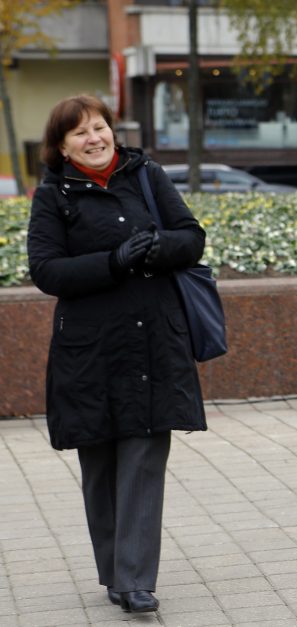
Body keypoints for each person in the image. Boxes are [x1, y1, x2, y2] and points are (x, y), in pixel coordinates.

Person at [27, 95, 207, 613]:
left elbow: (191, 237)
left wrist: (156, 248)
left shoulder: (145, 174)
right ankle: (113, 571)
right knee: (101, 463)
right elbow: (47, 271)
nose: (95, 138)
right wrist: (112, 261)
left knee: (144, 457)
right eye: (80, 132)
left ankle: (135, 579)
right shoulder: (53, 196)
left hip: (153, 341)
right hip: (90, 350)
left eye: (99, 127)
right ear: (61, 146)